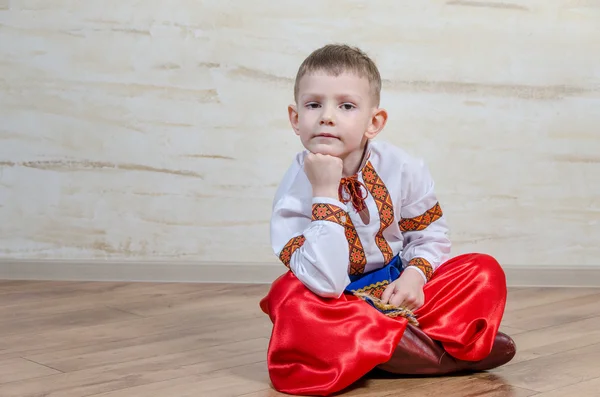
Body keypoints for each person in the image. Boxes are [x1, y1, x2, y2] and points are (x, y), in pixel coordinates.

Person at [259, 43, 516, 396]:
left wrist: (413, 277)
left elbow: (428, 235)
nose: (326, 116)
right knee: (291, 300)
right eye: (313, 104)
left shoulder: (404, 167)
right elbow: (326, 282)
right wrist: (323, 192)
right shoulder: (293, 191)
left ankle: (376, 349)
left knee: (482, 271)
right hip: (337, 302)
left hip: (398, 289)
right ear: (295, 117)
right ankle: (440, 356)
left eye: (346, 106)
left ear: (374, 122)